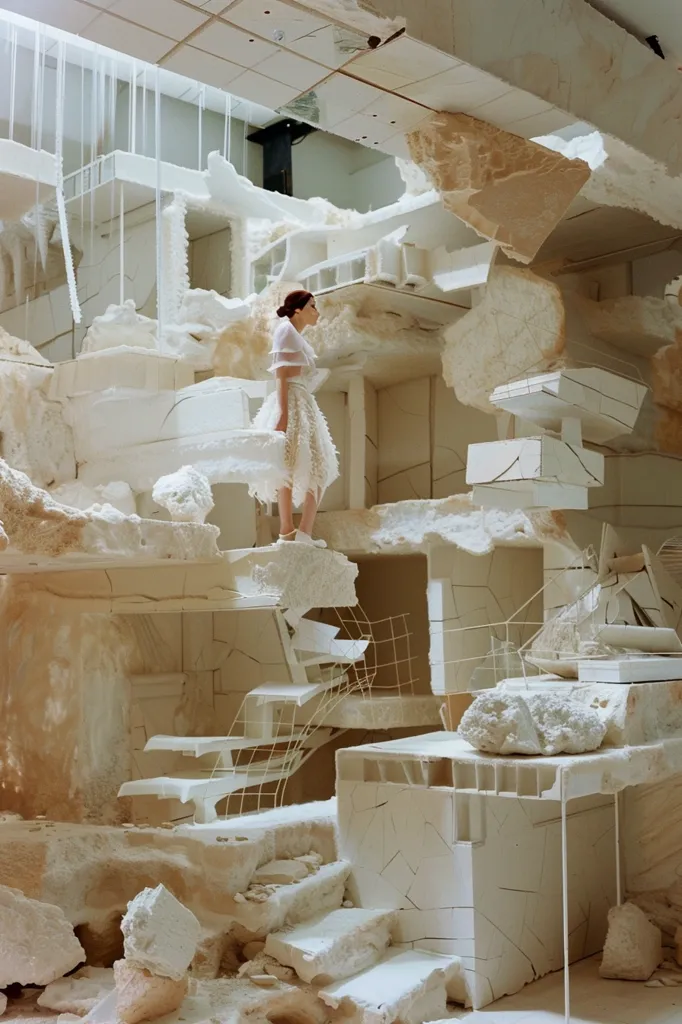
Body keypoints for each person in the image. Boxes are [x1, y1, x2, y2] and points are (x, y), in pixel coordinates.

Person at [250, 290, 338, 546]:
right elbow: (281, 375)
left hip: (301, 400)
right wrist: (283, 414)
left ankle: (296, 532)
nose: (317, 312)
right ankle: (292, 531)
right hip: (292, 401)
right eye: (312, 306)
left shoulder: (294, 335)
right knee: (294, 463)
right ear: (298, 309)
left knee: (307, 464)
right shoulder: (286, 331)